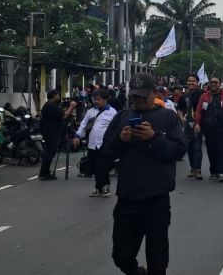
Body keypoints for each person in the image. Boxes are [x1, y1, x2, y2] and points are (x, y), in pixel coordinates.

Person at [102, 72, 186, 275]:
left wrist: (153, 137)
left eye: (142, 96)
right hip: (127, 197)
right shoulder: (122, 117)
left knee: (157, 258)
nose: (137, 100)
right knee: (121, 256)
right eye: (134, 96)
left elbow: (178, 151)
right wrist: (120, 139)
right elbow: (106, 151)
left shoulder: (167, 117)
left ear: (154, 93)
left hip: (156, 198)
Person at [73, 89, 117, 196]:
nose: (96, 101)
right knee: (94, 166)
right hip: (92, 143)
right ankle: (98, 188)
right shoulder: (91, 111)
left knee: (102, 166)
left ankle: (105, 186)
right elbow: (83, 124)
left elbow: (116, 128)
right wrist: (77, 136)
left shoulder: (112, 112)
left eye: (98, 99)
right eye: (95, 99)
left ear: (105, 100)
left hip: (105, 144)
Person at [194, 77, 223, 182]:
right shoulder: (204, 96)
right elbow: (199, 111)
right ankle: (213, 171)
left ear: (220, 84)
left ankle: (221, 172)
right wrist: (197, 124)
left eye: (215, 82)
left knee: (222, 150)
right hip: (208, 129)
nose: (213, 84)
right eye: (211, 82)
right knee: (211, 150)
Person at [178, 74, 204, 179]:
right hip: (187, 125)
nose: (191, 83)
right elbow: (180, 110)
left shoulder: (202, 94)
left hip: (198, 124)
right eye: (189, 81)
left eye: (193, 81)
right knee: (189, 147)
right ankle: (192, 168)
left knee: (197, 147)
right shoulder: (184, 96)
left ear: (197, 83)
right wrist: (182, 119)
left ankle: (198, 170)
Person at [39, 89, 64, 180]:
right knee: (50, 153)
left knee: (49, 152)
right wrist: (71, 107)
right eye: (58, 95)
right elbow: (62, 116)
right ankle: (44, 173)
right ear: (54, 96)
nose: (59, 97)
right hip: (51, 133)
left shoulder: (49, 105)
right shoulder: (51, 106)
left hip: (49, 132)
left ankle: (45, 172)